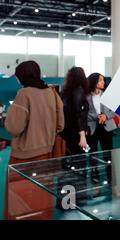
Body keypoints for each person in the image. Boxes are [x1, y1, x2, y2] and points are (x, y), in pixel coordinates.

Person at [5, 61, 64, 220]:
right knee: (41, 198)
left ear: (23, 76)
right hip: (46, 155)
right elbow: (61, 125)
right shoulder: (52, 93)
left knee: (19, 201)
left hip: (23, 158)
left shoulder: (24, 94)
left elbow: (14, 127)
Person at [86, 73, 117, 183]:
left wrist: (105, 116)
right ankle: (95, 185)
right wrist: (98, 116)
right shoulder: (86, 97)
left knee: (109, 157)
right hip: (92, 128)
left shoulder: (108, 95)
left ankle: (112, 183)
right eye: (100, 80)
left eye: (103, 80)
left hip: (106, 127)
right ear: (94, 82)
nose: (103, 82)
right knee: (92, 157)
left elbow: (114, 110)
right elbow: (84, 113)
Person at [60, 67, 89, 155]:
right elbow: (78, 114)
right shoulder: (78, 91)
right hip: (76, 132)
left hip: (66, 131)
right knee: (79, 159)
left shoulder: (65, 91)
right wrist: (82, 135)